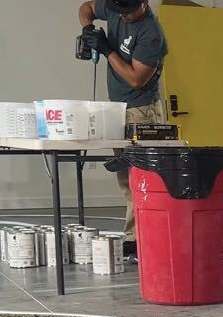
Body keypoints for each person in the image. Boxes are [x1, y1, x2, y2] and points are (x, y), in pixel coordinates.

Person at [78, 0, 169, 257]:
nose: (124, 17)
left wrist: (107, 50)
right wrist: (88, 29)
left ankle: (145, 239)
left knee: (144, 179)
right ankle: (134, 238)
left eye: (129, 12)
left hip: (142, 112)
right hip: (118, 109)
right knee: (127, 180)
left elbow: (135, 79)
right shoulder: (117, 7)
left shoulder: (151, 34)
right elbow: (86, 7)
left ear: (144, 2)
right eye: (120, 12)